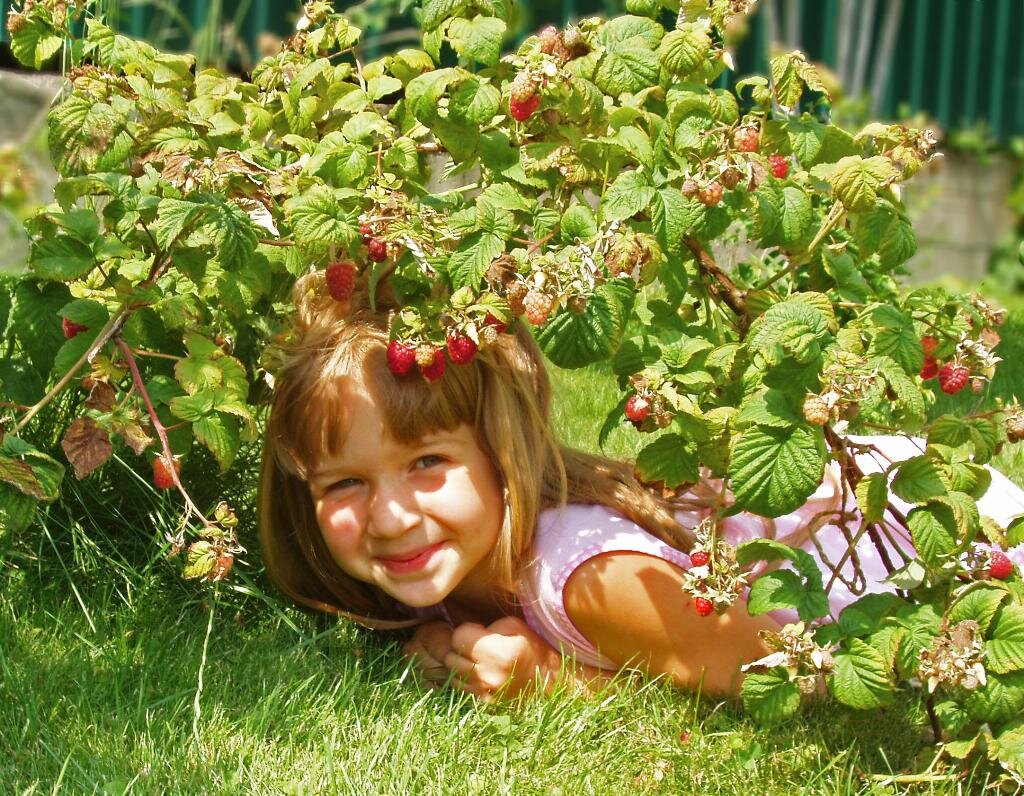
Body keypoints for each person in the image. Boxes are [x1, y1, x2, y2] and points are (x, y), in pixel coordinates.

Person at [258, 276, 1024, 702]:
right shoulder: (453, 558)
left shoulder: (593, 580)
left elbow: (789, 670)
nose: (390, 517)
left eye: (429, 463)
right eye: (345, 482)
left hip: (946, 542)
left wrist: (551, 682)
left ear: (505, 452)